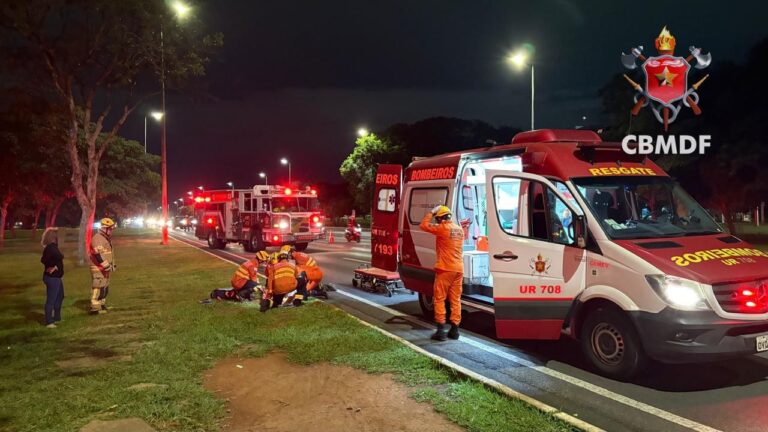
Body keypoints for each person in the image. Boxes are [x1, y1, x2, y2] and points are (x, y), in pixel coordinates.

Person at [419, 205, 464, 341]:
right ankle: (455, 330)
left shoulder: (442, 228)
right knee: (455, 300)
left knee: (439, 299)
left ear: (441, 219)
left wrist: (432, 212)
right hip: (458, 269)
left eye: (437, 219)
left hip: (445, 269)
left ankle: (441, 331)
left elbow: (423, 225)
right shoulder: (459, 230)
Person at [89, 218, 116, 315]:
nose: (111, 231)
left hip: (105, 268)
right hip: (98, 269)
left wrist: (111, 265)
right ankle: (95, 308)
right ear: (104, 228)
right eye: (110, 229)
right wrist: (106, 265)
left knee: (104, 287)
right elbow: (97, 255)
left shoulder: (105, 238)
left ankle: (101, 305)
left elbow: (107, 253)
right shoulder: (97, 238)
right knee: (98, 288)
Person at [40, 228, 64, 328]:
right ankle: (49, 321)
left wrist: (54, 266)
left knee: (60, 296)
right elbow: (59, 256)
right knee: (51, 299)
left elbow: (43, 260)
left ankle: (57, 317)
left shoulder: (51, 247)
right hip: (53, 278)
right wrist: (53, 266)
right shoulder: (52, 248)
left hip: (55, 277)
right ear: (54, 237)